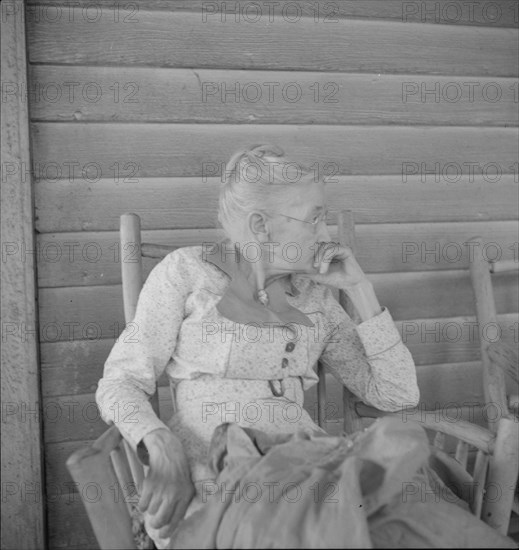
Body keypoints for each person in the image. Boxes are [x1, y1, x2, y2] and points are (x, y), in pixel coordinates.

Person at [95, 145, 513, 549]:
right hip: (219, 475)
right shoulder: (186, 274)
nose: (325, 234)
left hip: (308, 465)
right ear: (261, 225)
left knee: (414, 517)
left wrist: (361, 291)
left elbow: (396, 394)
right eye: (314, 219)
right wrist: (159, 445)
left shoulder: (316, 300)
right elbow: (120, 381)